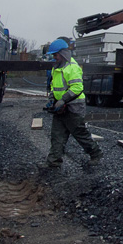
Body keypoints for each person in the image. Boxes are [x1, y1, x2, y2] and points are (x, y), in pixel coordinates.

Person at [44, 38, 103, 169]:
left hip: (73, 107)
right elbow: (55, 87)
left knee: (80, 133)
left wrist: (63, 100)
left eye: (56, 55)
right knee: (57, 135)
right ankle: (54, 160)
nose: (54, 57)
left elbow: (77, 88)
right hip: (60, 107)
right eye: (53, 55)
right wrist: (52, 100)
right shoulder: (56, 68)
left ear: (63, 53)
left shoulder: (72, 67)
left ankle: (95, 153)